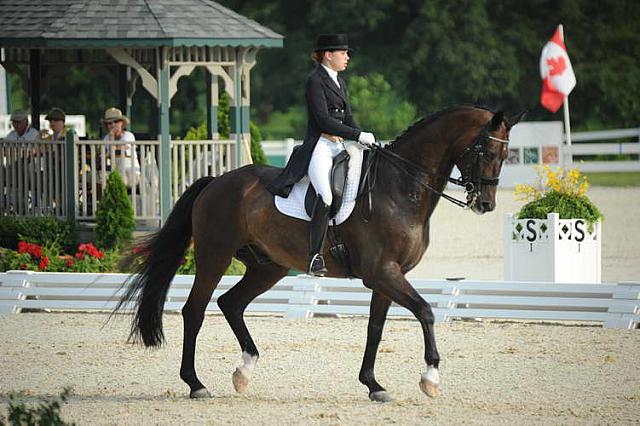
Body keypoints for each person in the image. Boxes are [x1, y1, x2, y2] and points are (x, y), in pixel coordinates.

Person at [267, 33, 376, 276]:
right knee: (326, 196)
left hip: (338, 147)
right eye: (342, 53)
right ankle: (315, 256)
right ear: (328, 55)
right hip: (319, 147)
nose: (347, 57)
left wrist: (361, 134)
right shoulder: (314, 81)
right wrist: (356, 136)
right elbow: (323, 120)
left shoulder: (339, 82)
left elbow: (346, 117)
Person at [101, 107, 140, 188]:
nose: (113, 125)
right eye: (109, 123)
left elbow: (116, 150)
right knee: (98, 179)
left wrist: (112, 136)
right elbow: (103, 154)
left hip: (131, 173)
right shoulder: (106, 138)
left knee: (115, 180)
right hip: (114, 172)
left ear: (122, 123)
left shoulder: (128, 135)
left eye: (116, 121)